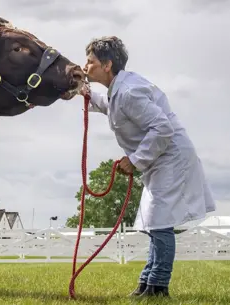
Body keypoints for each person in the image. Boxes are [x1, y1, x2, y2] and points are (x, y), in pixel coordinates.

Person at [79, 36, 216, 298]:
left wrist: (135, 160)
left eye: (91, 61)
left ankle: (158, 286)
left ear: (107, 65)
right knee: (155, 223)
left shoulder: (129, 91)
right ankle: (148, 283)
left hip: (170, 156)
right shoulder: (119, 90)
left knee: (160, 222)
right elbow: (111, 106)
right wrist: (84, 92)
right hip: (159, 158)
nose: (86, 66)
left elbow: (162, 128)